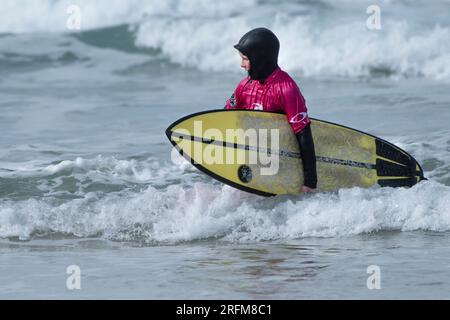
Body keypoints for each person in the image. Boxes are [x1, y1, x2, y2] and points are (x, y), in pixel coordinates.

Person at [225, 27, 317, 193]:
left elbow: (303, 134)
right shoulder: (244, 86)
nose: (242, 65)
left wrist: (310, 181)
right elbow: (225, 117)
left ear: (259, 59)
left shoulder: (286, 89)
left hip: (278, 165)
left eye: (245, 59)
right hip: (249, 163)